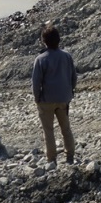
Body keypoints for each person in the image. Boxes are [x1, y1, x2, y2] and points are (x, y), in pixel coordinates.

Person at [32, 25, 78, 165]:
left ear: (44, 41)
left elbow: (36, 83)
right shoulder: (67, 56)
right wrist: (70, 93)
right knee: (66, 128)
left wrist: (37, 99)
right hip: (64, 99)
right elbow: (74, 78)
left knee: (48, 131)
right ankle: (70, 156)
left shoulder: (40, 59)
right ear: (58, 40)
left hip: (46, 101)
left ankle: (52, 159)